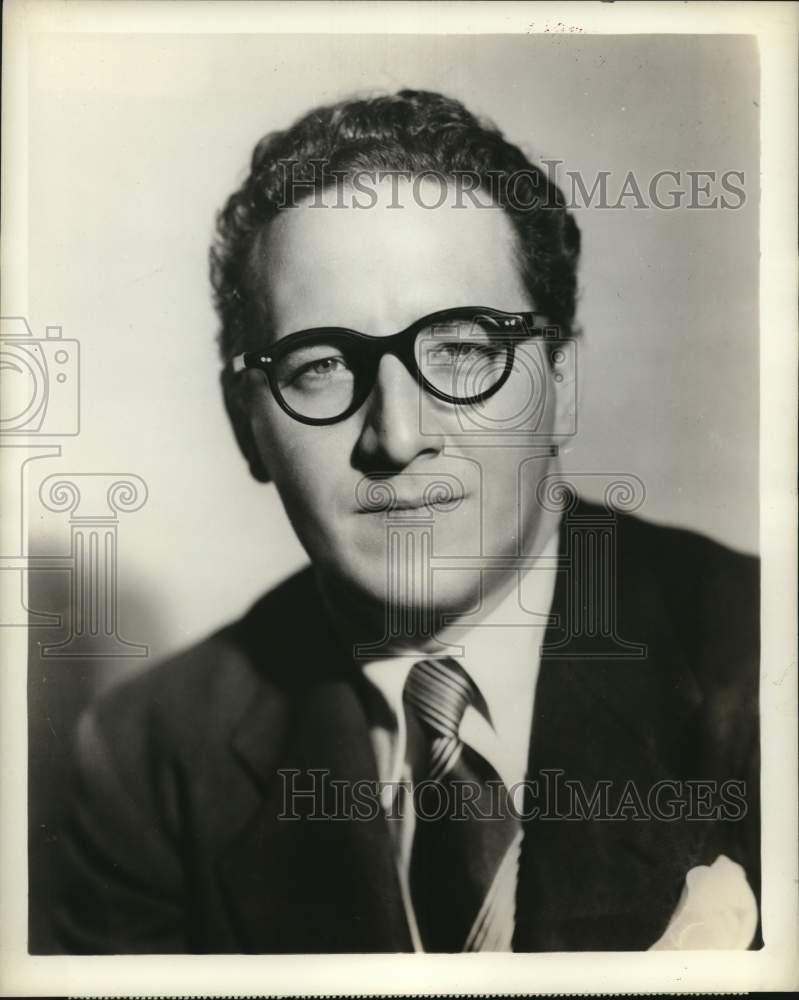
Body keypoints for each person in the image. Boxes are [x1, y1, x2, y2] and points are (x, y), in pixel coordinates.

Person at [54, 90, 759, 954]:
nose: (397, 434)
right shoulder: (147, 759)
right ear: (246, 425)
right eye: (319, 365)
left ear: (561, 386)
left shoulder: (764, 661)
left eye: (461, 350)